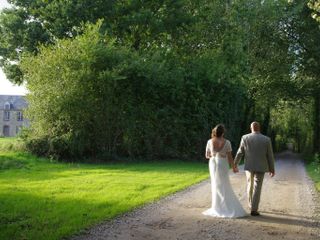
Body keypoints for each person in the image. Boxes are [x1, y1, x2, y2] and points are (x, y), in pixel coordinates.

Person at [202, 124, 247, 218]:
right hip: (222, 164)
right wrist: (234, 167)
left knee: (215, 185)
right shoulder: (227, 142)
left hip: (213, 164)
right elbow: (230, 157)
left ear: (214, 132)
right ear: (223, 133)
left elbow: (207, 155)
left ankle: (217, 207)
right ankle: (227, 206)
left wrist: (214, 156)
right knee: (225, 184)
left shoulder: (210, 141)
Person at [234, 122, 275, 216]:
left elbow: (240, 152)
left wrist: (235, 163)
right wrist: (272, 169)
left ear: (250, 128)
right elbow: (270, 156)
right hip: (261, 166)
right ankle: (254, 209)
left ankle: (250, 204)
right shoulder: (266, 139)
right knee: (257, 187)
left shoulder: (245, 137)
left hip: (249, 166)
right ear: (259, 128)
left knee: (250, 184)